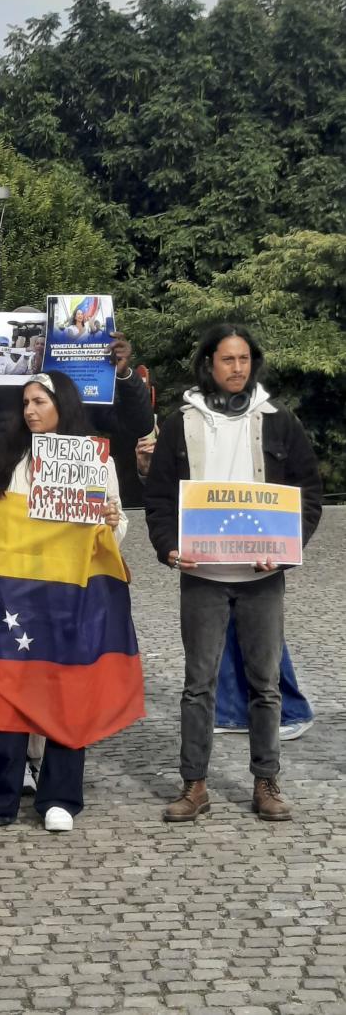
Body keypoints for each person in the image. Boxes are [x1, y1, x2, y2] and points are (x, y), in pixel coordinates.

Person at [144, 324, 322, 823]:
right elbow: (158, 499)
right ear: (209, 364)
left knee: (265, 685)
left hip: (262, 575)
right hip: (203, 574)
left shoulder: (278, 419)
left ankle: (266, 782)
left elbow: (307, 494)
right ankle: (194, 785)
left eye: (244, 359)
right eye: (227, 359)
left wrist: (286, 552)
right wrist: (169, 548)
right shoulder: (181, 423)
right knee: (198, 684)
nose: (237, 368)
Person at [0, 371, 127, 834]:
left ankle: (60, 796)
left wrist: (112, 520)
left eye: (39, 402)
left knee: (65, 690)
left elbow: (112, 534)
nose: (30, 411)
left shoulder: (96, 460)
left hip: (70, 592)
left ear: (62, 405)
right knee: (4, 690)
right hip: (12, 593)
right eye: (26, 403)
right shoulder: (8, 459)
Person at [0, 310, 154, 491]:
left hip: (62, 503)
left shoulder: (74, 390)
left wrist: (124, 374)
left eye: (44, 344)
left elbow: (138, 425)